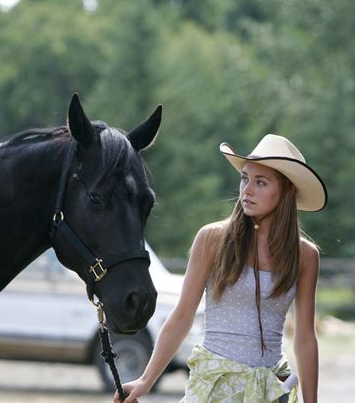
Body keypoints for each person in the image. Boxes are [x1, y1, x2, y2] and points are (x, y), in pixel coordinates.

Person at [115, 134, 327, 403]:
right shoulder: (213, 239)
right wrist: (146, 380)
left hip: (271, 390)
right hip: (215, 385)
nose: (247, 190)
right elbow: (182, 316)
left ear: (286, 192)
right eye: (245, 178)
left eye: (260, 182)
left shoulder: (305, 256)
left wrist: (312, 401)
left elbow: (306, 337)